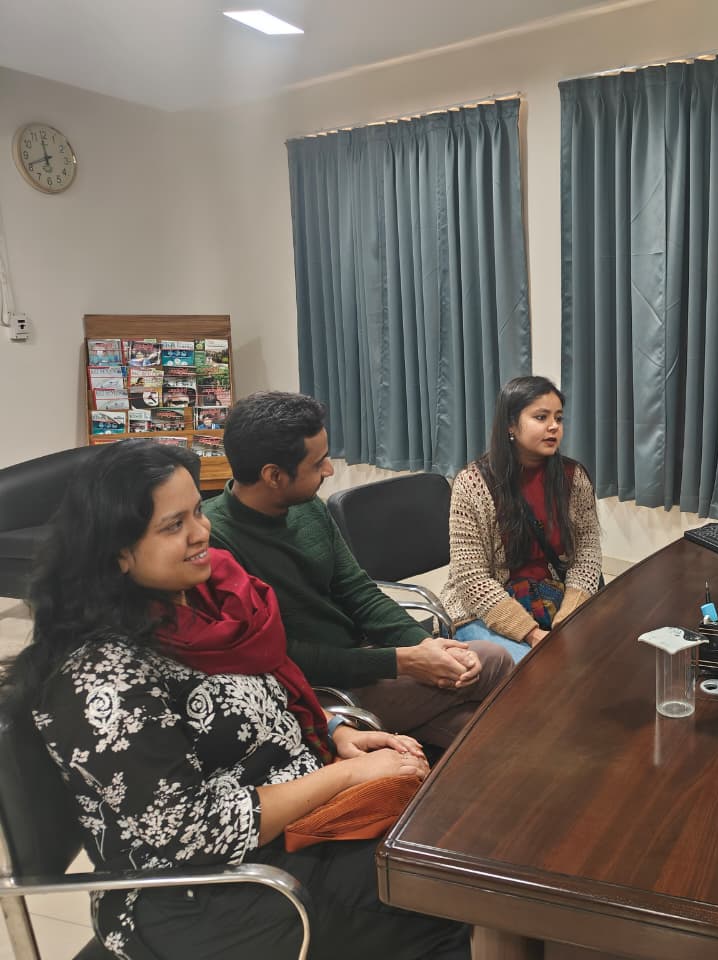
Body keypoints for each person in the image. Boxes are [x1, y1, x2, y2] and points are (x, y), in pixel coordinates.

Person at [3, 440, 469, 960]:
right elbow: (192, 833)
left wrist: (334, 732)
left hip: (283, 834)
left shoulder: (204, 603)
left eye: (197, 512)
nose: (201, 533)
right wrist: (347, 777)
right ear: (118, 553)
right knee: (438, 896)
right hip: (202, 895)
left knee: (447, 845)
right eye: (173, 526)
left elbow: (252, 705)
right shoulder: (102, 679)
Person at [203, 392, 512, 751]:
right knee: (493, 660)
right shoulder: (215, 543)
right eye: (318, 463)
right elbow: (280, 657)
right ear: (273, 475)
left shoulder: (307, 508)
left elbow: (358, 591)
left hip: (364, 663)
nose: (329, 470)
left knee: (487, 729)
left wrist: (425, 646)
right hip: (317, 692)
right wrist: (401, 662)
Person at [440, 376, 602, 663]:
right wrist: (531, 633)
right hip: (481, 611)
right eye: (541, 417)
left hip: (550, 600)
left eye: (558, 418)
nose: (554, 426)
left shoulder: (573, 477)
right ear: (510, 425)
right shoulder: (472, 484)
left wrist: (566, 618)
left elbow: (587, 554)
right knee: (537, 671)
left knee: (606, 654)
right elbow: (472, 579)